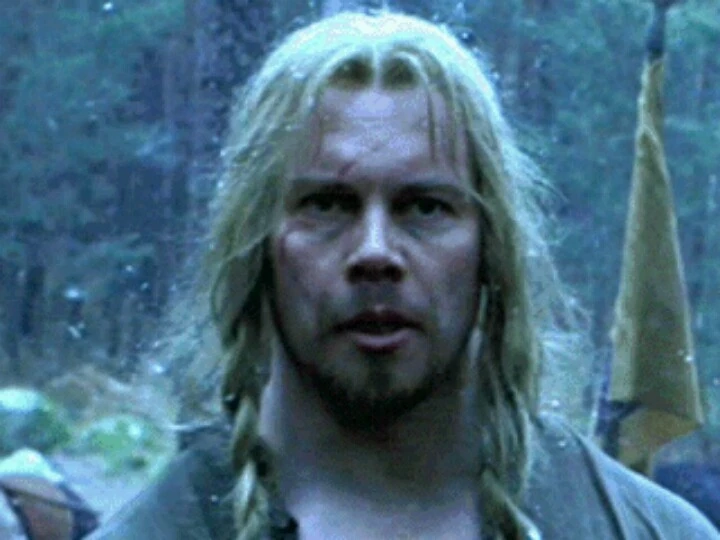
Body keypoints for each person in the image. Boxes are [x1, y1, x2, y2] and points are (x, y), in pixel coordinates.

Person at [90, 10, 719, 540]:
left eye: (424, 207)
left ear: (489, 246)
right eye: (327, 205)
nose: (375, 252)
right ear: (258, 246)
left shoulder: (644, 530)